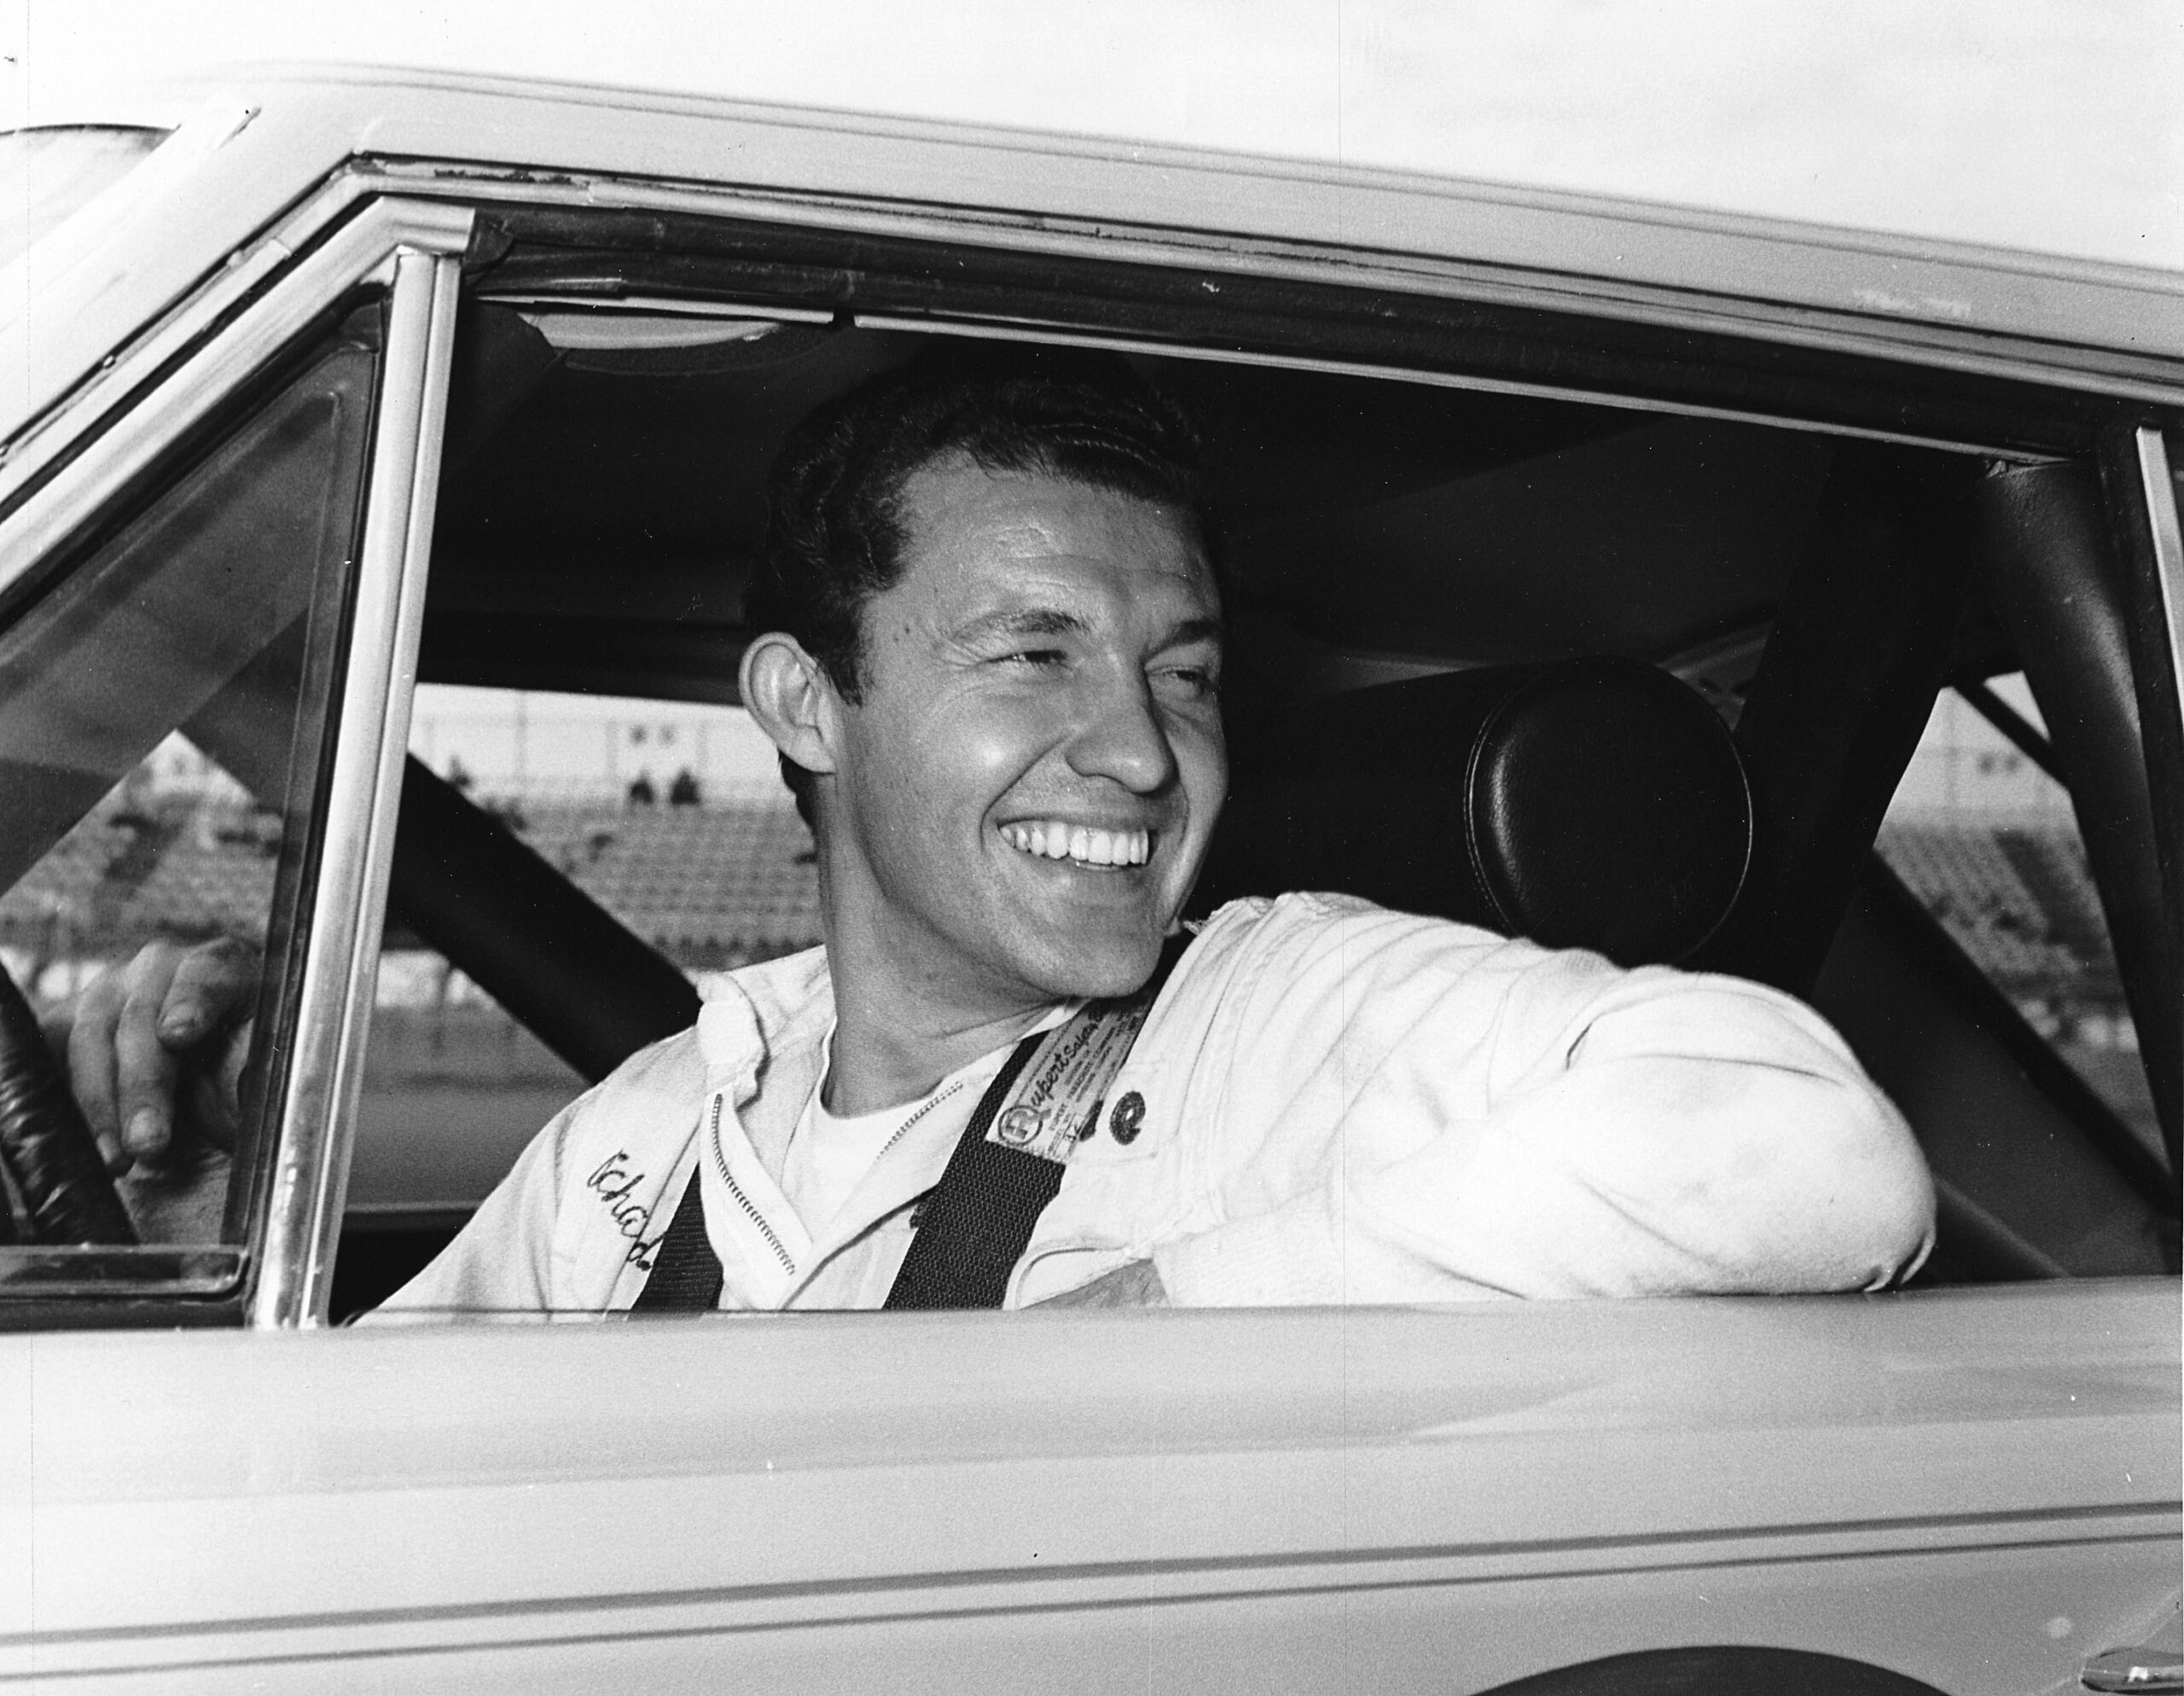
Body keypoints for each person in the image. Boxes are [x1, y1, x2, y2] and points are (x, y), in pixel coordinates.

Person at [55, 354, 1935, 1311]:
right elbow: (372, 1504)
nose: (1133, 750)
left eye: (1179, 672)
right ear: (806, 702)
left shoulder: (1263, 1016)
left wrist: (1145, 1318)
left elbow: (1801, 1149)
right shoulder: (652, 1123)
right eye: (1034, 655)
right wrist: (169, 1227)